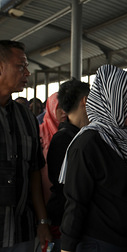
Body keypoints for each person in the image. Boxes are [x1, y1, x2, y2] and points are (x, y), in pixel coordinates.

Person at [59, 65, 127, 252]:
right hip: (100, 243)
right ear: (116, 103)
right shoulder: (88, 143)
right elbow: (76, 202)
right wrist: (67, 247)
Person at [0, 40, 52, 250]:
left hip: (22, 230)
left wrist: (42, 221)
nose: (27, 73)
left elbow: (34, 172)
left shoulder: (26, 117)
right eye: (20, 66)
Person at [45, 78, 90, 252]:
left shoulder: (78, 135)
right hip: (66, 222)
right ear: (85, 101)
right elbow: (65, 186)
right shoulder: (65, 139)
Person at [40, 92, 67, 204]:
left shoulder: (71, 134)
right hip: (42, 190)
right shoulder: (40, 132)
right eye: (59, 107)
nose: (64, 111)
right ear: (51, 108)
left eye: (66, 107)